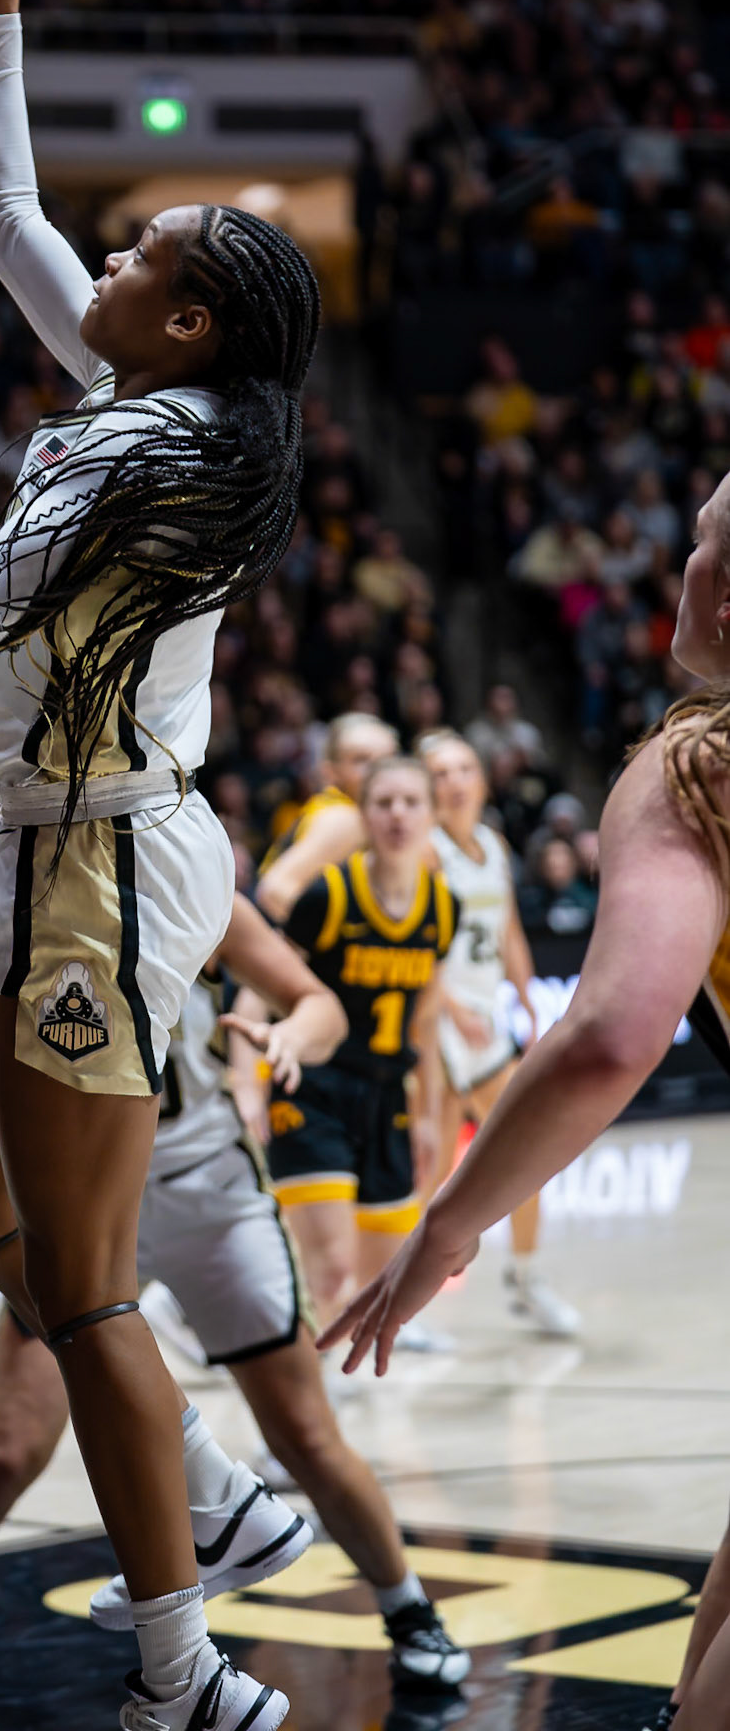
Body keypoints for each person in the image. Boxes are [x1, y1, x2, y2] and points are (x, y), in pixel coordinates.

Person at [0, 0, 320, 1731]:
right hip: (59, 850)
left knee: (95, 1286)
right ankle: (211, 1494)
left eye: (142, 255)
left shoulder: (131, 454)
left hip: (99, 872)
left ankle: (185, 1668)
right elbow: (2, 207)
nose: (110, 252)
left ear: (188, 321)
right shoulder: (168, 407)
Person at [0, 898, 469, 1696]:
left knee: (307, 1436)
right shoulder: (8, 913)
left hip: (208, 1193)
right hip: (81, 1201)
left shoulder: (191, 880)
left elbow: (318, 1006)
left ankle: (409, 1609)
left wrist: (287, 1040)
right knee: (7, 1452)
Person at [319, 472, 730, 1731]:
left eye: (703, 540)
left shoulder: (697, 765)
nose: (682, 558)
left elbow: (612, 1031)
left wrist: (452, 1219)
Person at [264, 756, 452, 1341]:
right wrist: (249, 1085)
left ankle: (191, 1302)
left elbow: (426, 1024)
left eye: (411, 803)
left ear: (432, 813)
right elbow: (259, 995)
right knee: (330, 1269)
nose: (398, 815)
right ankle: (301, 1413)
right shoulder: (326, 895)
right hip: (314, 1087)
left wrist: (425, 1117)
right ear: (363, 816)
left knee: (378, 1275)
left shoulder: (443, 907)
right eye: (384, 803)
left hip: (388, 1094)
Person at [418, 729, 582, 1338]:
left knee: (526, 1149)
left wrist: (525, 994)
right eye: (441, 771)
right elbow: (417, 937)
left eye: (465, 767)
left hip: (484, 1024)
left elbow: (507, 925)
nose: (456, 780)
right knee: (429, 1167)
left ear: (482, 778)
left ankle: (526, 1276)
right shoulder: (426, 848)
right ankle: (396, 1289)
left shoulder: (491, 841)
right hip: (434, 1025)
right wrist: (450, 1004)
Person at [254, 712, 399, 923]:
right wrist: (331, 946)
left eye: (387, 760)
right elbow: (275, 891)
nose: (377, 770)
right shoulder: (345, 818)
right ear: (330, 772)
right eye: (361, 760)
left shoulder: (351, 812)